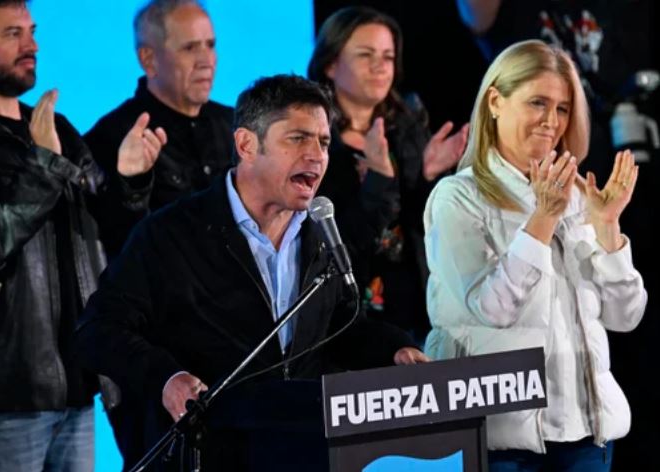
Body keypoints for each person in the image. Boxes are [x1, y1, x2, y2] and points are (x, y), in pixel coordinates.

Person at [74, 74, 428, 470]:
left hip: (302, 449)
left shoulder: (320, 235)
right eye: (298, 138)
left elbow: (339, 327)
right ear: (246, 145)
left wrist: (394, 349)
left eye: (324, 142)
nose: (316, 155)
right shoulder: (173, 233)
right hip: (212, 453)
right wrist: (167, 379)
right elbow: (98, 329)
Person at [0, 1, 165, 471]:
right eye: (11, 33)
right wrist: (44, 168)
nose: (31, 45)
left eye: (31, 31)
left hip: (76, 386)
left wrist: (131, 182)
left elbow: (108, 233)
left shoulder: (58, 129)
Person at [423, 40, 647, 471]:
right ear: (495, 101)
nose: (552, 121)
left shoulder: (579, 196)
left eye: (562, 108)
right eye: (538, 103)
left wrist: (608, 228)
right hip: (501, 443)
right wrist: (542, 219)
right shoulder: (457, 198)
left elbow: (625, 316)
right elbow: (492, 308)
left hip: (587, 440)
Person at [307, 6, 468, 342]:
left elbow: (426, 227)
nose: (380, 66)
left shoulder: (407, 125)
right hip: (351, 317)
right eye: (366, 55)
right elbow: (331, 243)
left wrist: (430, 178)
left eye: (388, 56)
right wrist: (378, 179)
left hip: (417, 306)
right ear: (331, 64)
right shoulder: (313, 141)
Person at [85, 0, 233, 259]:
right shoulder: (111, 137)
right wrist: (134, 183)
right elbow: (115, 247)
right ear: (149, 59)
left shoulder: (236, 124)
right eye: (189, 48)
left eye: (210, 45)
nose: (206, 61)